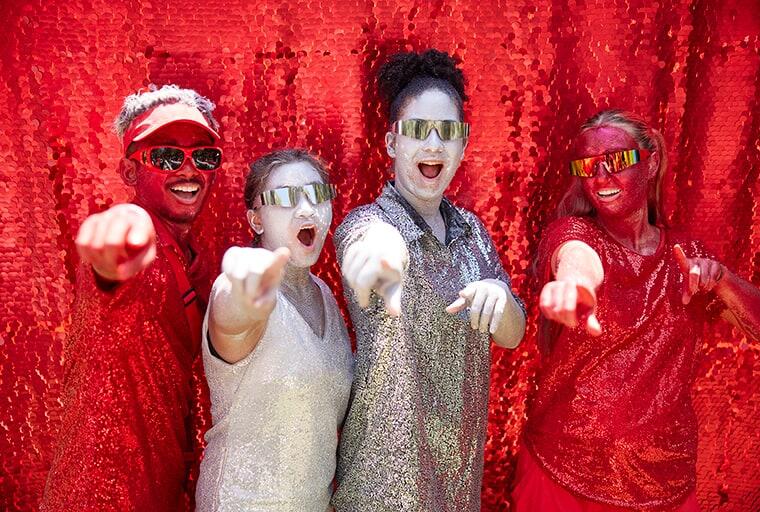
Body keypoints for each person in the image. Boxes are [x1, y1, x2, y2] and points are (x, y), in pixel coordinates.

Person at [514, 110, 760, 511]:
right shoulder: (574, 233)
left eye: (616, 160)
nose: (600, 177)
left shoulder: (685, 257)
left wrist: (723, 281)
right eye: (587, 166)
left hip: (664, 485)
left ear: (650, 163)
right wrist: (575, 286)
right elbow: (577, 257)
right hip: (563, 476)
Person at [331, 49, 527, 512]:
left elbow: (513, 335)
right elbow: (369, 248)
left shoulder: (473, 232)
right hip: (382, 491)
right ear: (391, 142)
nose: (434, 145)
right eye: (418, 130)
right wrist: (382, 258)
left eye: (448, 132)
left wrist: (500, 297)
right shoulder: (366, 223)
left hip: (457, 485)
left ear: (464, 144)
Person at [42, 85, 223, 511]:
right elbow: (122, 234)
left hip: (163, 491)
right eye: (166, 157)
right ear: (129, 172)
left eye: (204, 157)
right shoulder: (138, 230)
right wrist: (115, 238)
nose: (188, 169)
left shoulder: (197, 261)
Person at [196, 149, 353, 511]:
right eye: (284, 198)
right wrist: (241, 290)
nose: (306, 209)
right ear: (256, 220)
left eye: (317, 194)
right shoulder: (242, 285)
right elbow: (232, 315)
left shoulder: (326, 295)